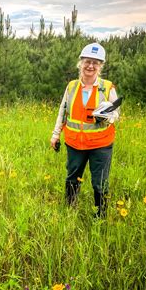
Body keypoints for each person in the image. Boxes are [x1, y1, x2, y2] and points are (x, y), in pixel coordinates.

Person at [50, 42, 120, 218]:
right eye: (88, 61)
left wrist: (106, 116)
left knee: (99, 183)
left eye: (95, 63)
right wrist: (55, 134)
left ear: (100, 66)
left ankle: (100, 217)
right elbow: (62, 112)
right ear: (81, 63)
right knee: (72, 178)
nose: (90, 66)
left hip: (100, 145)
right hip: (75, 144)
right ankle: (69, 210)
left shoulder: (107, 87)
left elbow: (116, 114)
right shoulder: (72, 86)